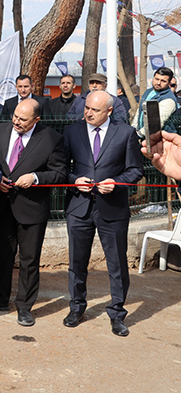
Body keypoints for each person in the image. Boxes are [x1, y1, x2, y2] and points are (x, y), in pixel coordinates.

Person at [62, 90, 143, 337]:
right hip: (79, 207)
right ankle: (76, 307)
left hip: (113, 208)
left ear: (109, 111)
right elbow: (61, 168)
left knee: (117, 264)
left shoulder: (126, 133)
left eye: (94, 110)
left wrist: (116, 183)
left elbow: (135, 170)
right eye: (86, 107)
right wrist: (74, 180)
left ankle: (117, 314)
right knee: (77, 262)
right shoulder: (72, 131)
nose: (88, 113)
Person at [0, 99, 66, 327]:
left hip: (32, 209)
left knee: (29, 260)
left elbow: (60, 173)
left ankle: (25, 306)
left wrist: (35, 178)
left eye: (23, 119)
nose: (17, 122)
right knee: (1, 256)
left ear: (36, 120)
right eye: (15, 116)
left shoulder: (51, 138)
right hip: (2, 206)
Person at [133, 66, 178, 138]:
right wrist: (133, 128)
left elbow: (156, 122)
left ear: (169, 83)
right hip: (144, 136)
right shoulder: (148, 92)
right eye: (157, 79)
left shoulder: (169, 99)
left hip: (161, 139)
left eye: (163, 81)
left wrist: (138, 134)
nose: (158, 83)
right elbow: (140, 111)